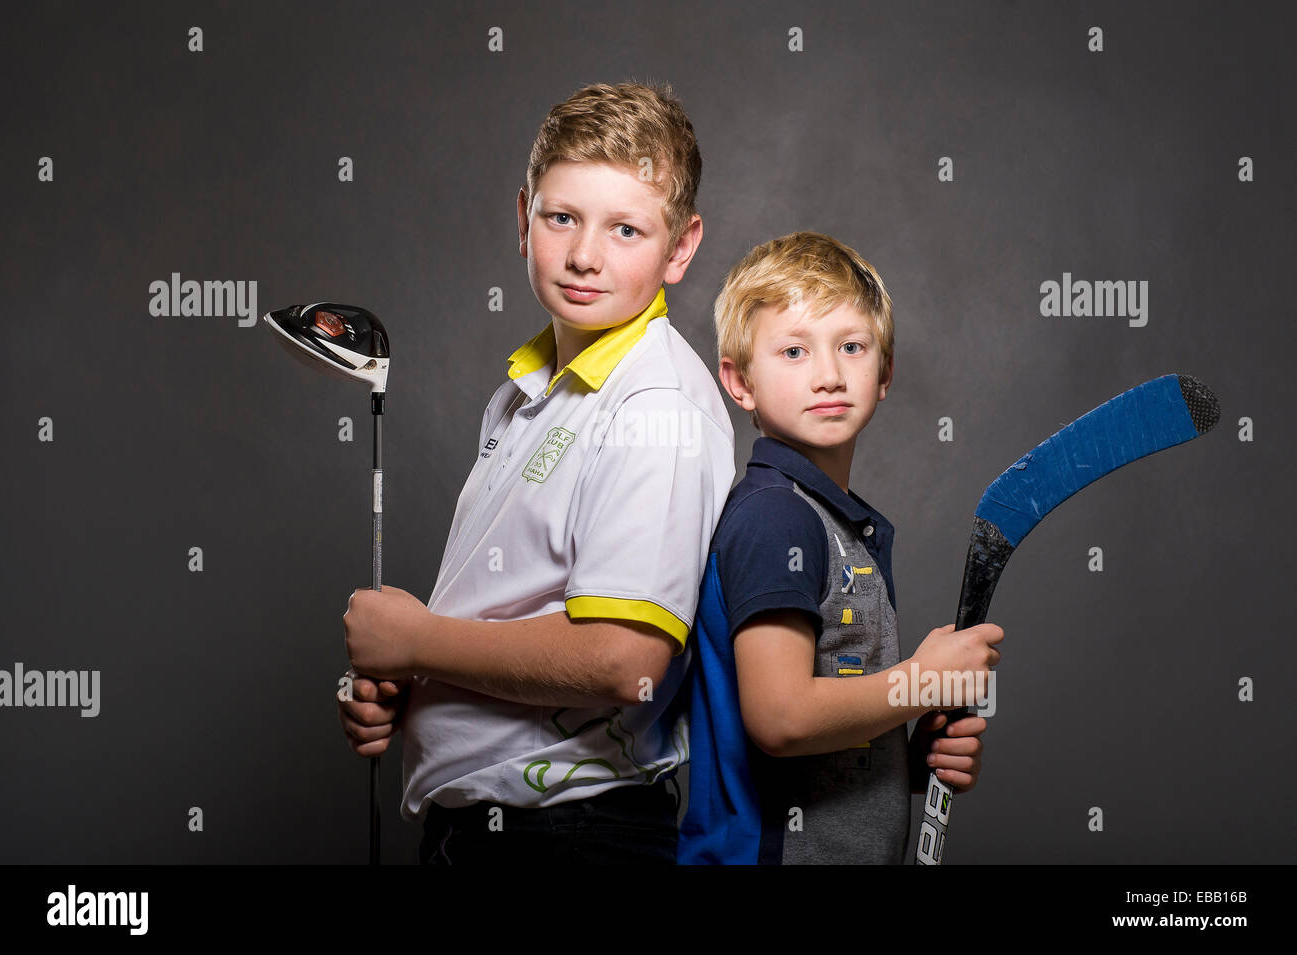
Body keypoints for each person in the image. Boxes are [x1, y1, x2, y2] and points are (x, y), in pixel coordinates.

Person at [336, 81, 735, 865]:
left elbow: (624, 658)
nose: (585, 255)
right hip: (485, 837)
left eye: (626, 228)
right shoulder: (527, 391)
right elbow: (505, 608)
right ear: (524, 219)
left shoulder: (656, 402)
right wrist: (404, 681)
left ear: (680, 248)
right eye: (562, 218)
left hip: (571, 838)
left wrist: (419, 640)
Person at [678, 231, 1003, 864]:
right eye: (794, 351)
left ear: (884, 373)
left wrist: (903, 762)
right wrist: (919, 683)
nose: (828, 374)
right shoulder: (778, 517)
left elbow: (822, 734)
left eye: (851, 346)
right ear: (739, 381)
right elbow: (781, 717)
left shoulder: (827, 520)